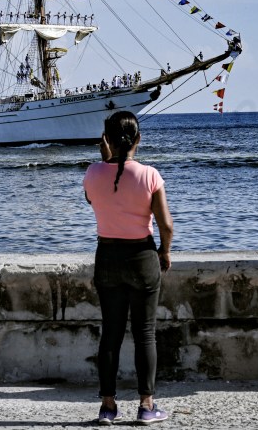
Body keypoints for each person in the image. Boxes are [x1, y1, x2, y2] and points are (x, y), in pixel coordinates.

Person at [83, 111, 173, 425]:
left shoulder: (92, 173)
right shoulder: (150, 175)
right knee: (145, 334)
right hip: (142, 257)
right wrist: (165, 252)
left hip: (107, 256)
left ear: (105, 140)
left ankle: (108, 407)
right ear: (138, 139)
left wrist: (103, 159)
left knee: (111, 333)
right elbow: (167, 225)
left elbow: (93, 200)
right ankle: (146, 406)